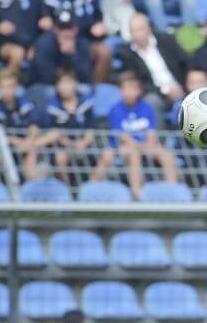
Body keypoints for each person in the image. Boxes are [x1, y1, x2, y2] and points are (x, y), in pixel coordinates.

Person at [93, 71, 179, 199]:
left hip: (145, 145)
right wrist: (140, 146)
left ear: (139, 91)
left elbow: (151, 132)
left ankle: (173, 190)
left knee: (166, 154)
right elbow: (122, 136)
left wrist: (149, 144)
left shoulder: (147, 108)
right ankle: (137, 193)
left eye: (132, 89)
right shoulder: (115, 109)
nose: (128, 93)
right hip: (122, 147)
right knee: (134, 154)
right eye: (124, 89)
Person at [117, 12, 187, 126]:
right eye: (133, 31)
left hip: (182, 88)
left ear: (149, 28)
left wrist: (184, 86)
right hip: (157, 94)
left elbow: (185, 63)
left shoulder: (167, 40)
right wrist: (165, 91)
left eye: (140, 29)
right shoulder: (127, 54)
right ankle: (158, 141)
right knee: (151, 101)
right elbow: (139, 83)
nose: (137, 34)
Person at [42, 0, 111, 82]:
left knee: (104, 52)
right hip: (59, 44)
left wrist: (100, 25)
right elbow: (47, 25)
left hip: (86, 42)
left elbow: (99, 20)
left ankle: (97, 91)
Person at [43, 67, 95, 184]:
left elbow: (90, 130)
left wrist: (82, 143)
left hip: (85, 146)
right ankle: (66, 191)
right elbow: (55, 133)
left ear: (75, 84)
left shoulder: (86, 103)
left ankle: (91, 187)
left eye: (68, 83)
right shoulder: (52, 105)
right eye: (61, 83)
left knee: (105, 154)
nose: (65, 87)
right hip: (62, 147)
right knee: (61, 157)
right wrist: (72, 145)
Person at [0, 66, 51, 181]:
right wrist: (19, 142)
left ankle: (29, 187)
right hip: (4, 149)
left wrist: (27, 142)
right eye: (4, 87)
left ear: (16, 87)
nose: (8, 91)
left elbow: (34, 127)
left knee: (35, 148)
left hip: (26, 147)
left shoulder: (25, 104)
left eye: (11, 87)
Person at [28, 9, 92, 87]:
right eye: (61, 28)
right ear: (54, 29)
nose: (65, 32)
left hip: (72, 87)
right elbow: (45, 78)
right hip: (42, 87)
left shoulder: (83, 44)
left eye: (69, 28)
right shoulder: (44, 44)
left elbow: (86, 78)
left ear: (76, 29)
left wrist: (73, 55)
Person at [0, 0, 44, 76]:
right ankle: (6, 87)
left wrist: (35, 46)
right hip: (4, 44)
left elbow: (44, 18)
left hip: (30, 42)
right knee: (17, 53)